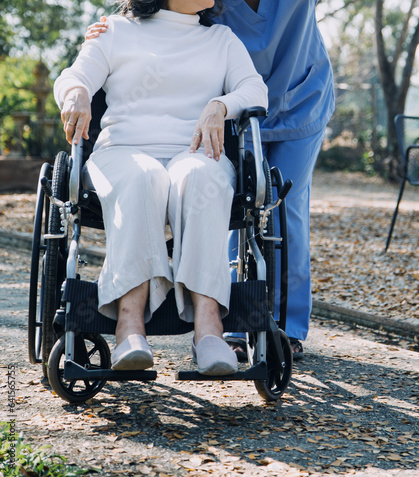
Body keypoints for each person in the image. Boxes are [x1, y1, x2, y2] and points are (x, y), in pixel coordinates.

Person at [85, 1, 335, 361]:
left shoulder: (226, 33)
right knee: (230, 198)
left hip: (298, 94)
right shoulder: (211, 8)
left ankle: (285, 326)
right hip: (229, 113)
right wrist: (117, 21)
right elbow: (160, 19)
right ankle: (229, 324)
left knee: (283, 207)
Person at [55, 0, 268, 375]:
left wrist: (220, 104)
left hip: (195, 152)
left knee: (199, 176)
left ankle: (209, 329)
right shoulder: (115, 30)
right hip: (123, 151)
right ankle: (129, 324)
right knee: (144, 175)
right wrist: (76, 92)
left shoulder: (222, 39)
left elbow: (255, 90)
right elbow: (74, 75)